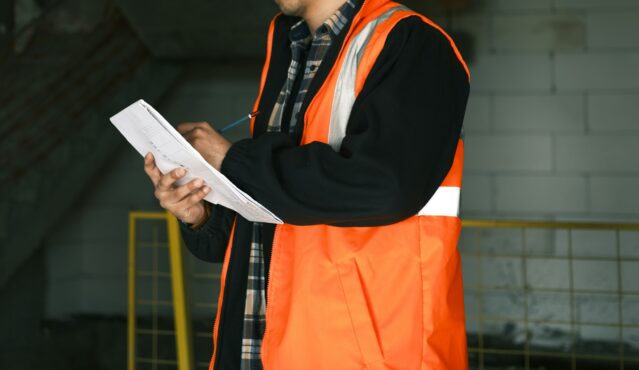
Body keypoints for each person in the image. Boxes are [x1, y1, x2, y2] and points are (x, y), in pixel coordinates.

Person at [144, 0, 470, 368]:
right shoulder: (290, 44)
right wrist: (201, 215)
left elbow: (385, 187)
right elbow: (275, 216)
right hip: (261, 343)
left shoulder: (413, 43)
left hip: (365, 354)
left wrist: (234, 160)